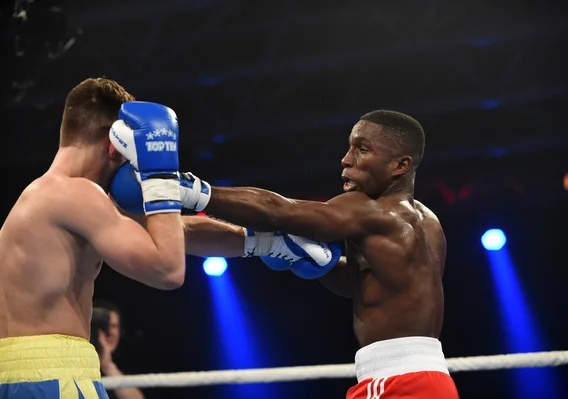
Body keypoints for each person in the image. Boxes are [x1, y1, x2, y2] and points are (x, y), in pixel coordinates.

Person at [114, 109, 460, 398]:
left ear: (400, 165)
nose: (346, 159)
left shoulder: (373, 212)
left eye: (362, 149)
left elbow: (278, 211)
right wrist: (320, 266)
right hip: (428, 379)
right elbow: (373, 291)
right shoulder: (429, 222)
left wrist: (186, 189)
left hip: (399, 383)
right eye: (350, 147)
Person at [0, 78, 189, 398]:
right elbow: (168, 269)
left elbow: (169, 234)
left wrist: (254, 241)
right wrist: (160, 176)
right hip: (55, 379)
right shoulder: (78, 195)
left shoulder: (43, 197)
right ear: (116, 144)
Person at [91, 300, 145, 399]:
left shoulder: (131, 362)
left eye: (113, 326)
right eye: (103, 326)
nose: (109, 332)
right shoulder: (71, 360)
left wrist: (107, 366)